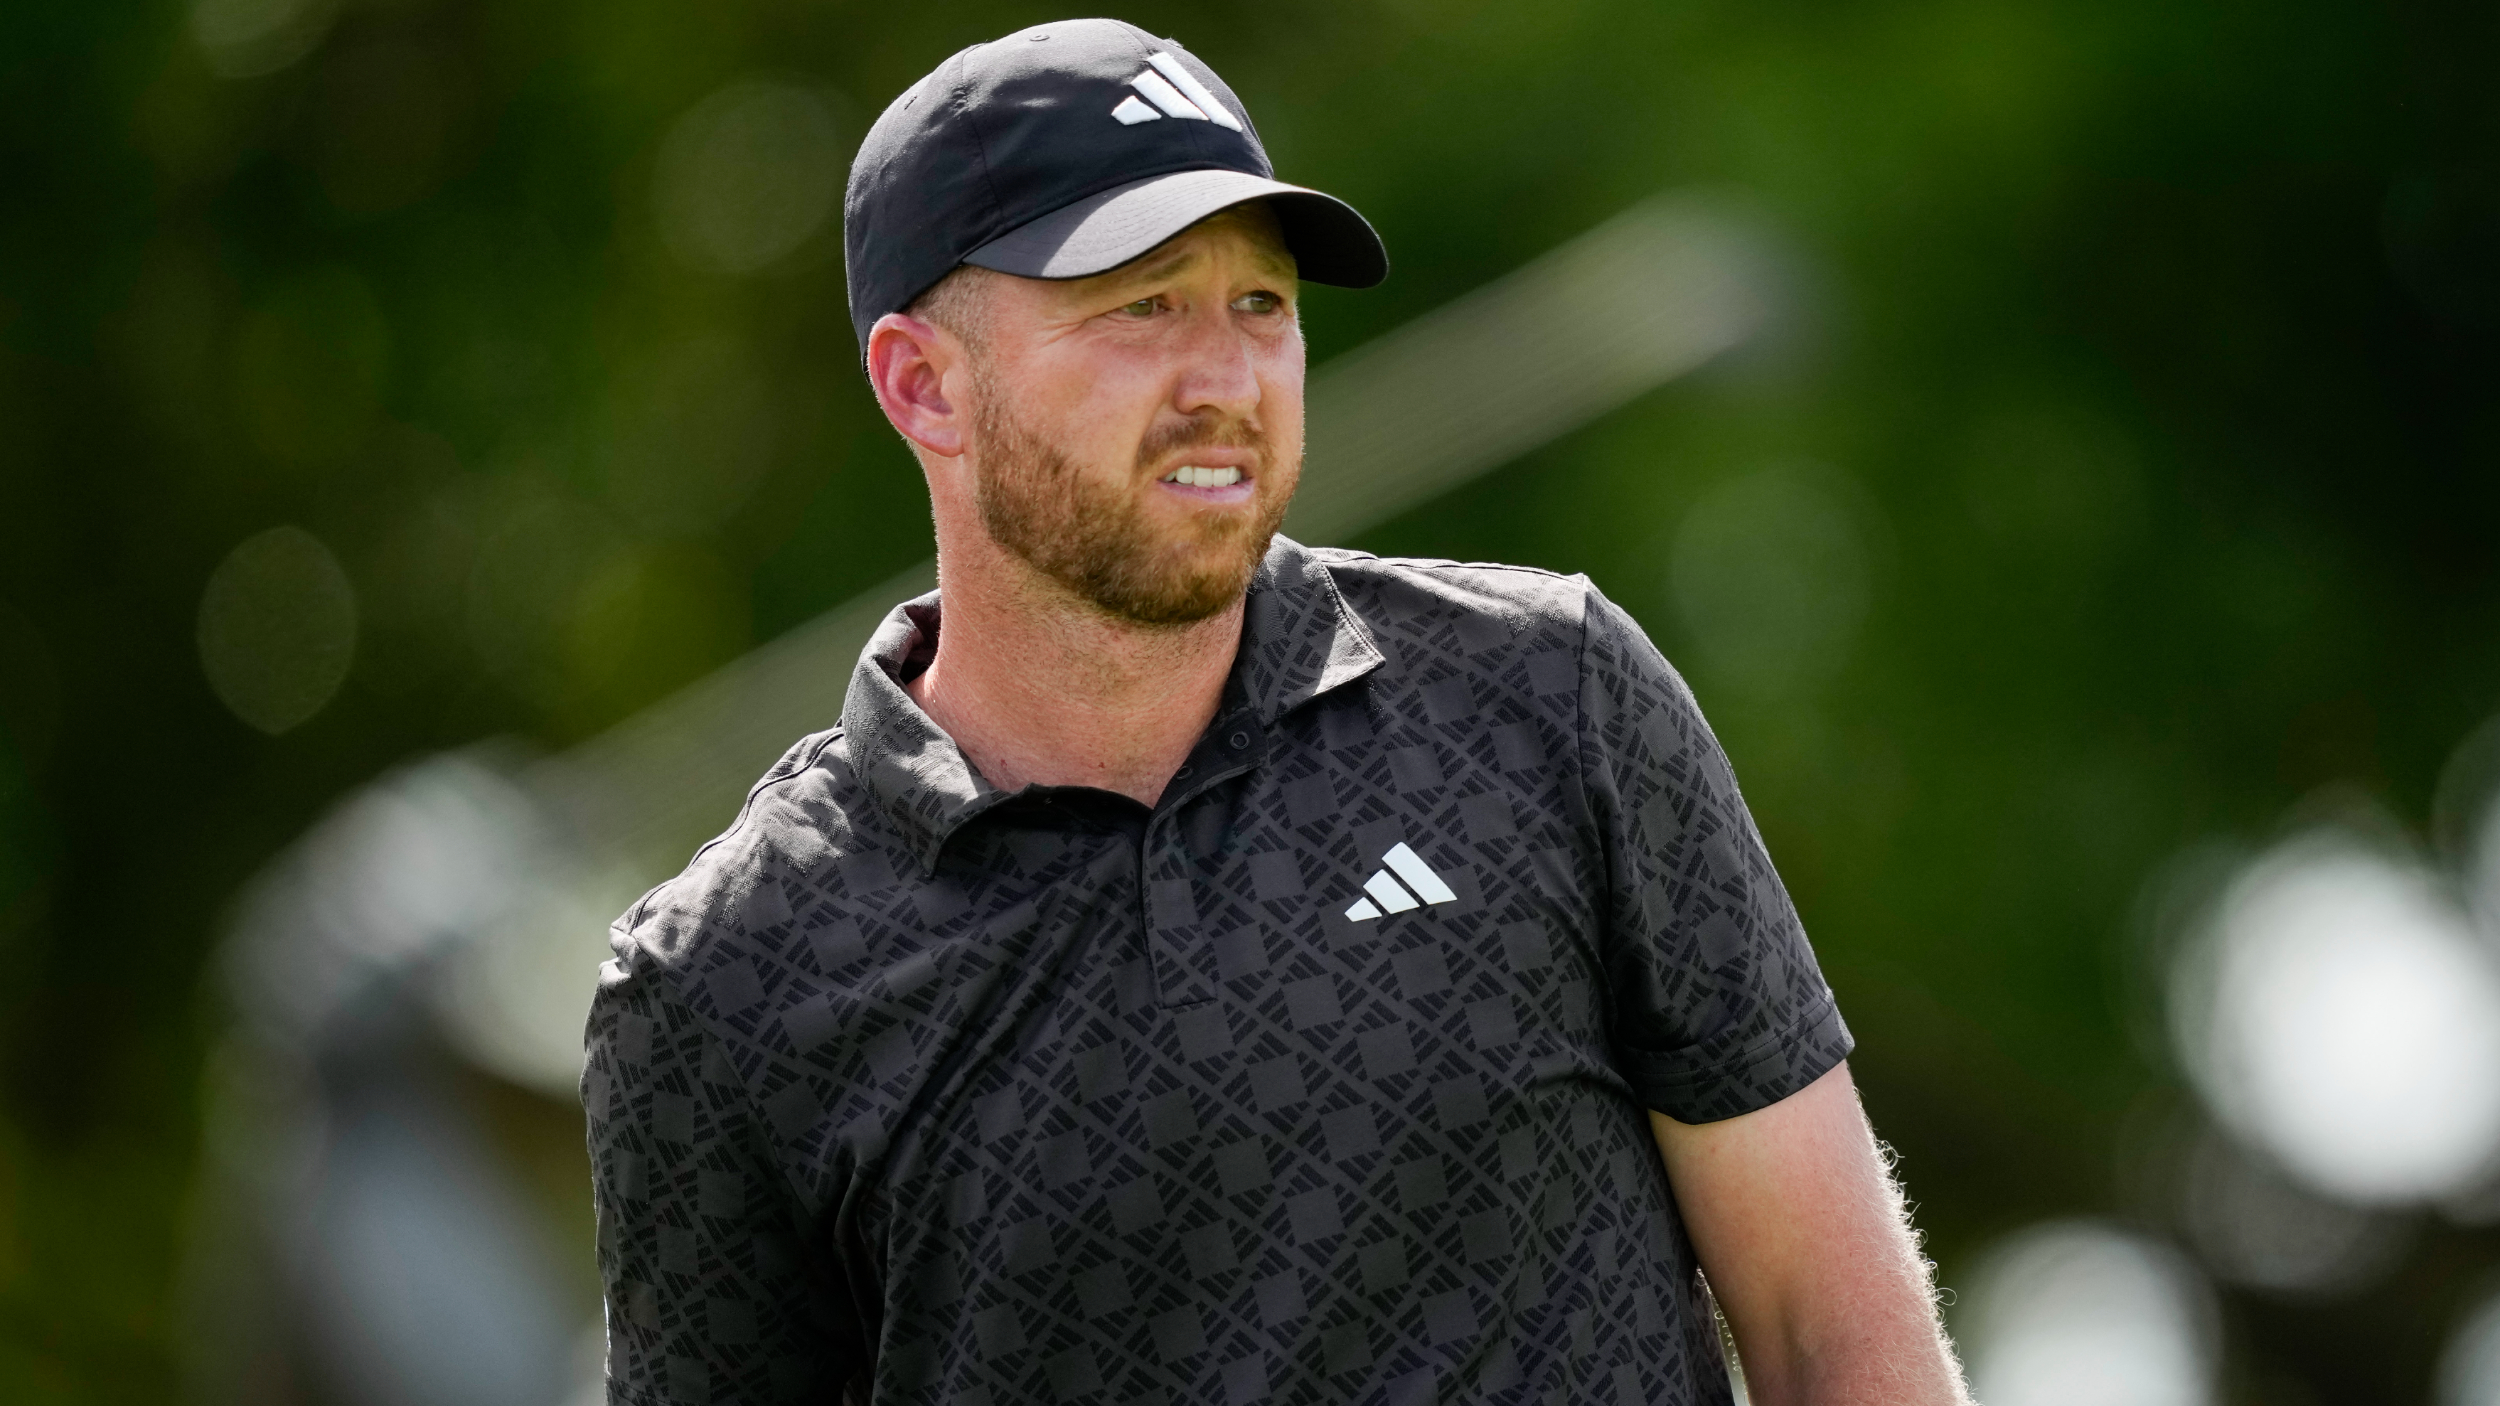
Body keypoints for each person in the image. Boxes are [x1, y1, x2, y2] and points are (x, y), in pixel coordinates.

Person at [583, 17, 1972, 1406]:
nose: (1227, 382)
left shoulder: (1552, 699)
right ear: (922, 383)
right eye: (1142, 304)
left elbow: (1834, 1331)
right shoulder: (730, 983)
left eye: (1264, 304)